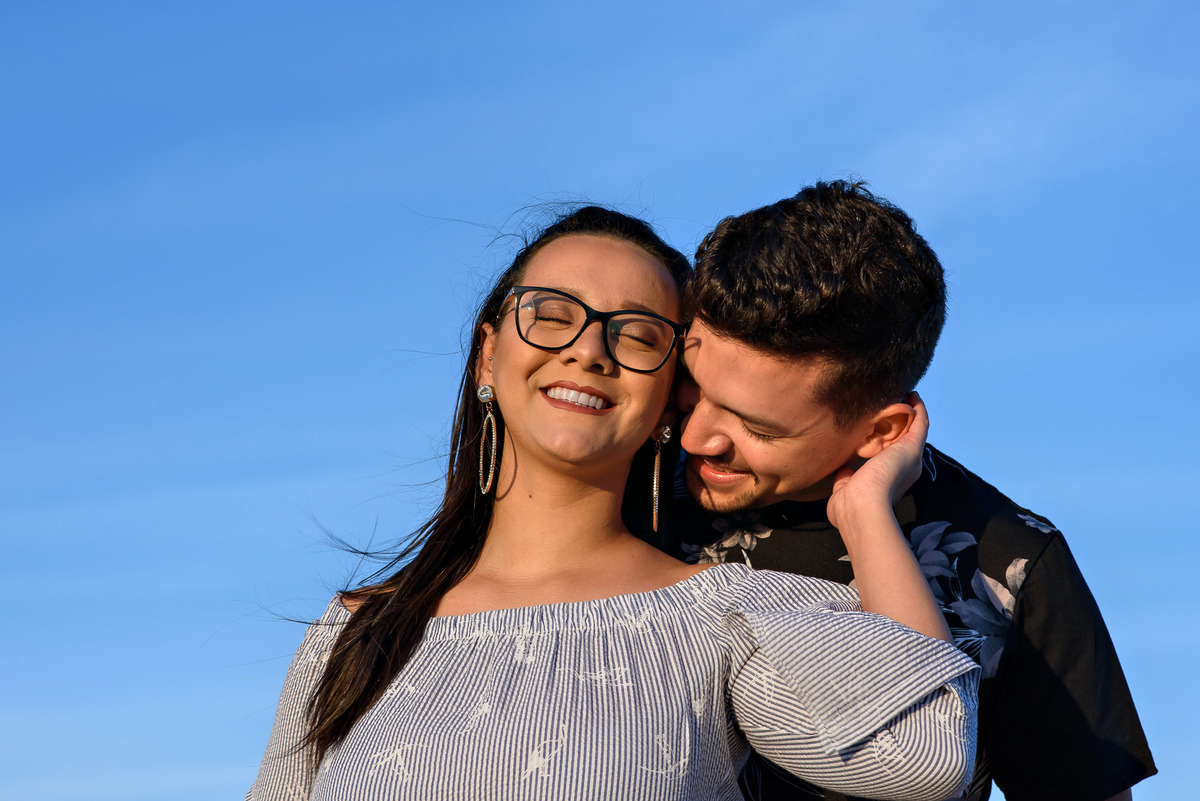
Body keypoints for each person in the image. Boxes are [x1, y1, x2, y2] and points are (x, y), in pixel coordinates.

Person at [246, 206, 979, 800]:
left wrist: (866, 507)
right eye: (553, 314)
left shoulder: (722, 616)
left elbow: (926, 752)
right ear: (487, 357)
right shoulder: (353, 633)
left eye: (636, 334)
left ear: (670, 399)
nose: (588, 350)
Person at [671, 181, 1156, 801]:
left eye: (759, 428)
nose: (696, 437)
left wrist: (864, 514)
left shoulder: (1009, 562)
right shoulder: (621, 478)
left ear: (885, 431)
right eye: (693, 386)